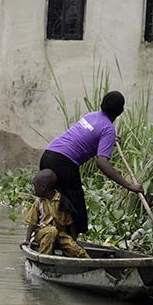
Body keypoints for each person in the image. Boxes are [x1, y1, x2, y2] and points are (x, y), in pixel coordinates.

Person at [39, 90, 143, 239]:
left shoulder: (92, 115)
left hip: (48, 155)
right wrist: (129, 186)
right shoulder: (108, 128)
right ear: (120, 111)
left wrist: (108, 141)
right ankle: (71, 246)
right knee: (76, 209)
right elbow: (102, 163)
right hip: (63, 163)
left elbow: (87, 137)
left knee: (57, 203)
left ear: (101, 104)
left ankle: (52, 238)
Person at [23, 169, 89, 258]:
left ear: (43, 187)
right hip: (42, 233)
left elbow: (70, 224)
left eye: (35, 186)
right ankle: (44, 259)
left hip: (61, 234)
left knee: (77, 250)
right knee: (52, 231)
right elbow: (32, 222)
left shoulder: (62, 202)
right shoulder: (38, 202)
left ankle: (90, 264)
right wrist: (27, 239)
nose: (34, 189)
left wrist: (73, 241)